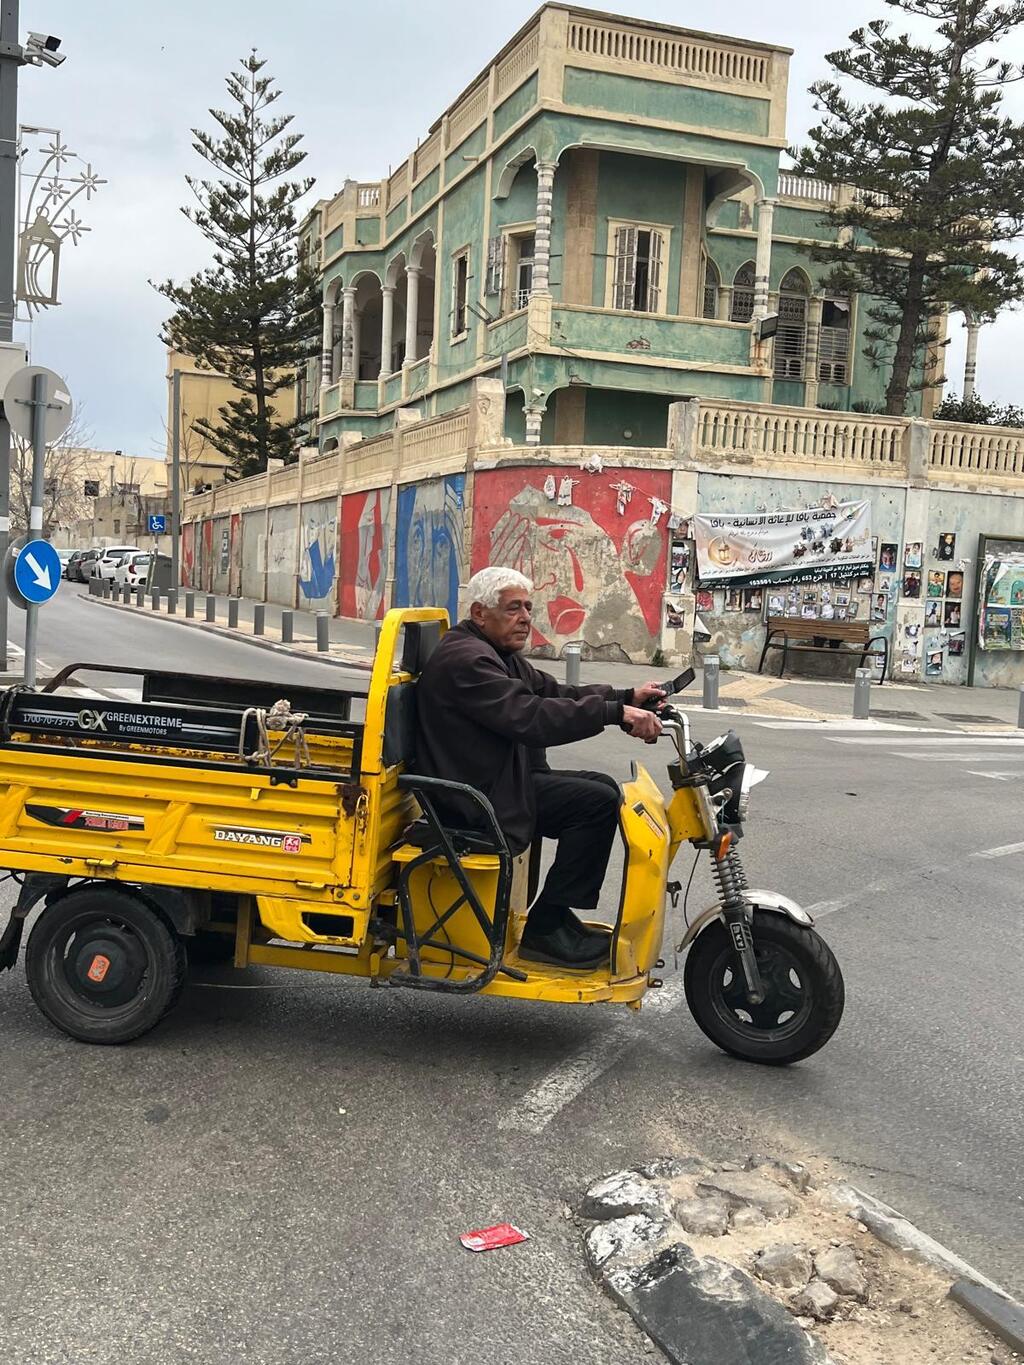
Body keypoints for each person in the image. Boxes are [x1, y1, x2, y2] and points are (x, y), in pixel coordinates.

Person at [414, 566, 664, 969]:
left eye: (528, 608)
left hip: (494, 780)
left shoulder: (495, 654)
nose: (526, 618)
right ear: (480, 613)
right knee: (595, 801)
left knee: (600, 787)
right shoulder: (468, 660)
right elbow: (530, 716)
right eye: (514, 608)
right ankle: (546, 929)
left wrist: (626, 696)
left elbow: (554, 692)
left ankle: (555, 917)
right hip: (472, 796)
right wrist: (616, 714)